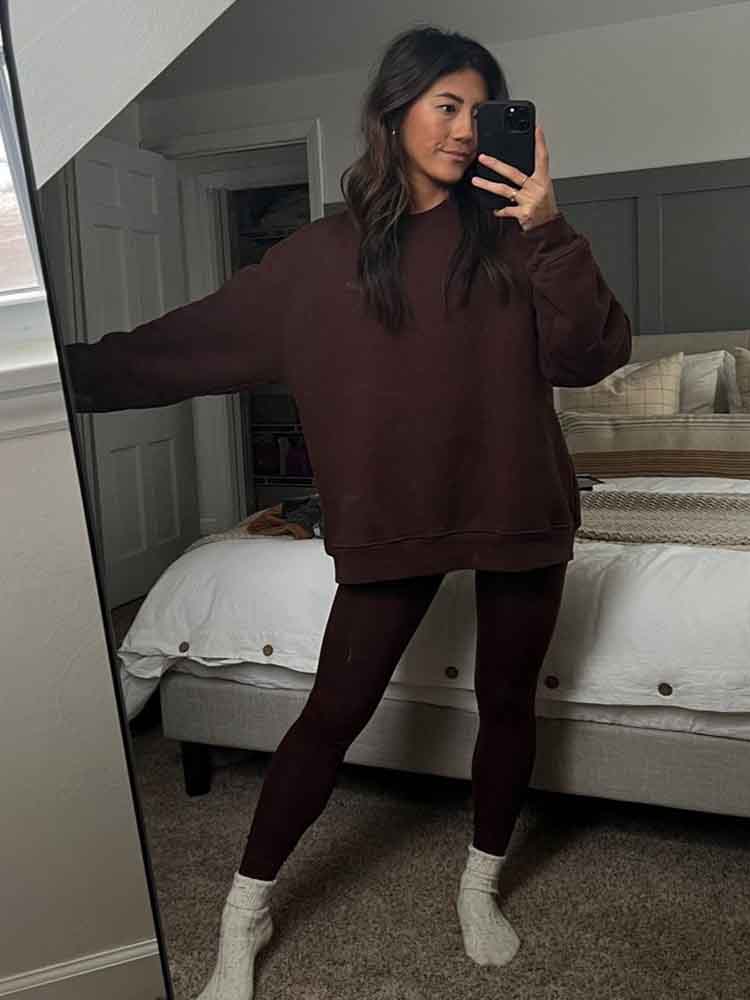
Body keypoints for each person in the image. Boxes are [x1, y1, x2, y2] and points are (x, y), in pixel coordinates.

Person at [65, 24, 631, 1000]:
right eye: (444, 105)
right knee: (332, 711)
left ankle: (479, 885)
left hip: (518, 503)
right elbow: (174, 348)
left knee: (507, 701)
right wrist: (48, 377)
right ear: (394, 111)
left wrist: (548, 226)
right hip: (393, 514)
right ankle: (245, 910)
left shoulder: (516, 237)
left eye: (479, 109)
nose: (463, 128)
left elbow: (593, 354)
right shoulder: (318, 257)